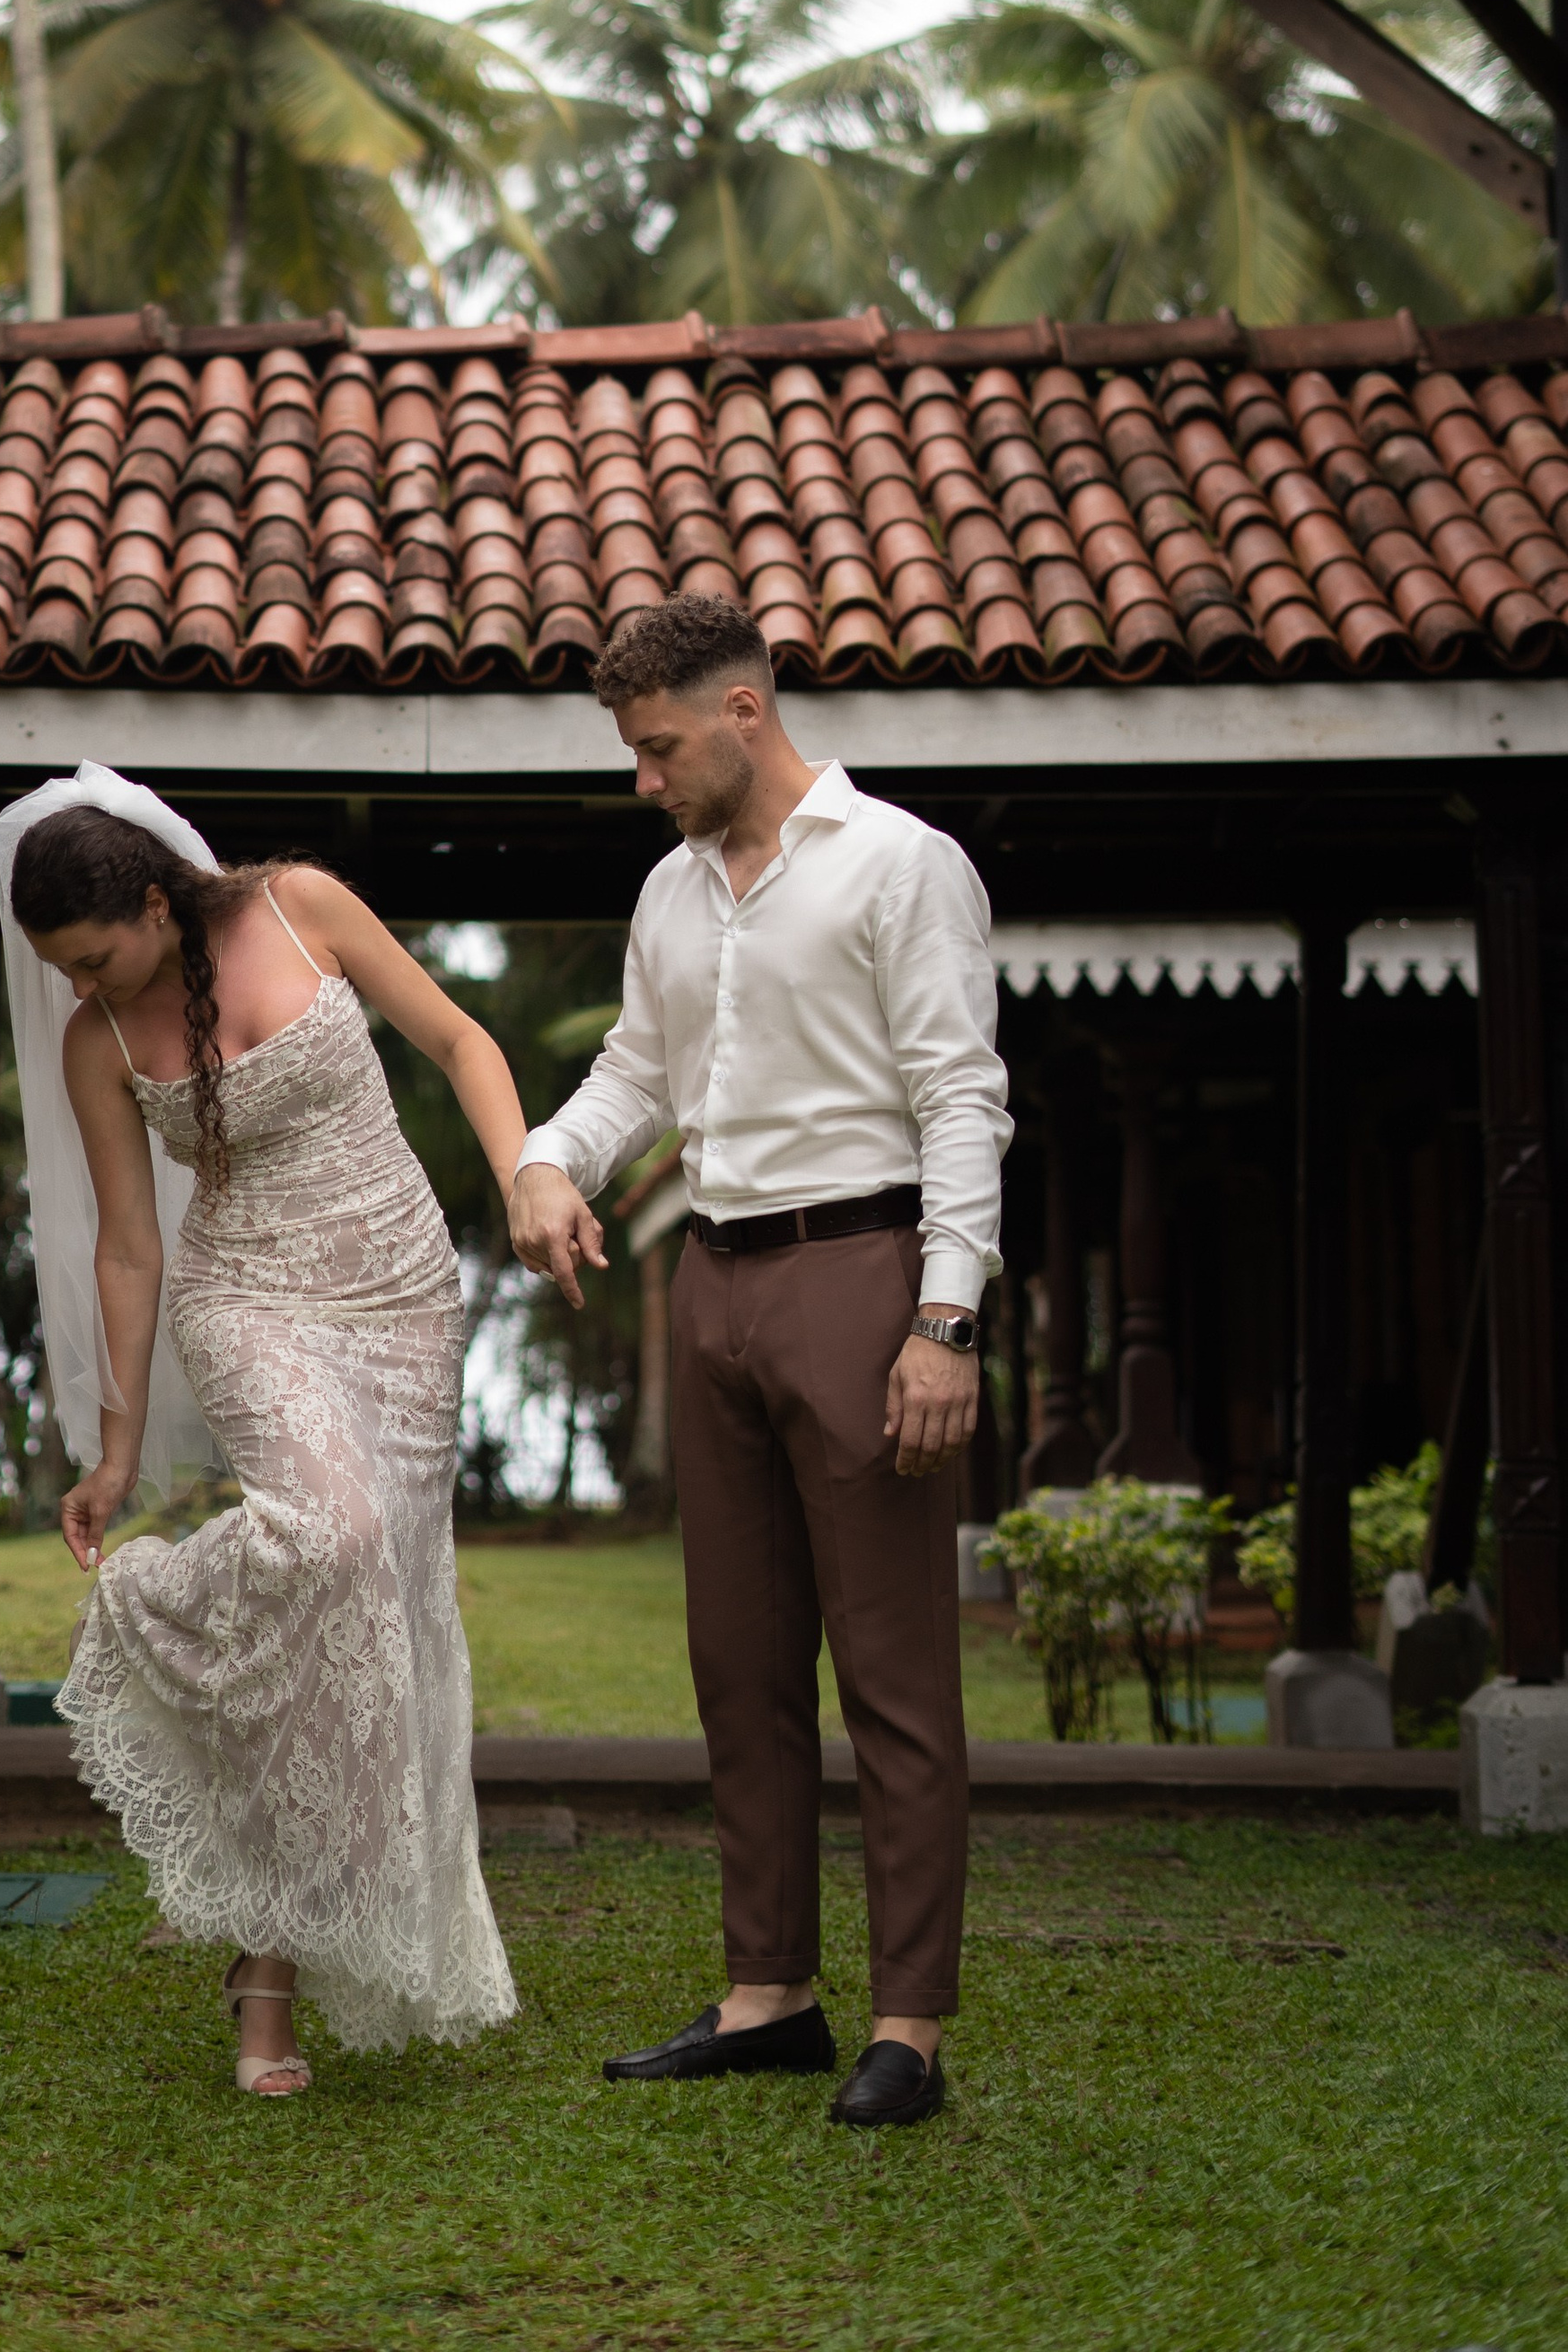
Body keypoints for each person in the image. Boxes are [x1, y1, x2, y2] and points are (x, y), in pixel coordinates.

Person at [510, 594, 1008, 2129]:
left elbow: (961, 1099)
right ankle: (769, 1997)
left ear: (743, 709)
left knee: (895, 1677)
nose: (641, 779)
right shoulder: (670, 893)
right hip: (711, 1287)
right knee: (738, 1665)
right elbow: (632, 1076)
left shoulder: (902, 864)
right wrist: (547, 1161)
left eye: (656, 748)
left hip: (861, 1279)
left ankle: (908, 2025)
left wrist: (945, 1320)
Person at [0, 763, 523, 2097]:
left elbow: (463, 1042)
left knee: (367, 1613)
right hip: (248, 1302)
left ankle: (265, 1970)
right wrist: (116, 1451)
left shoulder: (300, 907)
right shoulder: (95, 1042)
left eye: (94, 956)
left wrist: (529, 1184)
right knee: (329, 1541)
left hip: (403, 1302)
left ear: (161, 904)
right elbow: (127, 1247)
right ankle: (147, 1609)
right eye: (57, 967)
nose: (79, 985)